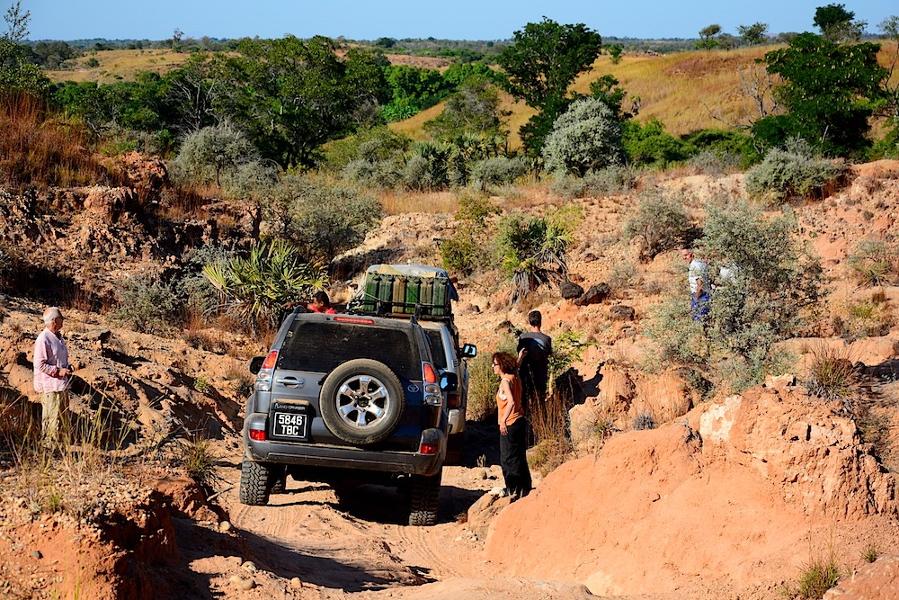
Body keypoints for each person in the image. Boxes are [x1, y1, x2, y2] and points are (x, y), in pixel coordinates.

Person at [493, 352, 532, 501]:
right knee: (519, 455)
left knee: (507, 458)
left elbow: (511, 402)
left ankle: (512, 488)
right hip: (520, 421)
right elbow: (515, 367)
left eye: (495, 364)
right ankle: (525, 487)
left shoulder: (505, 382)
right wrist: (520, 358)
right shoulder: (514, 377)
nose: (493, 367)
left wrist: (502, 420)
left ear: (501, 366)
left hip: (509, 423)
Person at [33, 307, 72, 446]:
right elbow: (39, 364)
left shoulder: (58, 337)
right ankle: (49, 447)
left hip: (61, 385)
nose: (63, 321)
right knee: (52, 418)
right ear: (55, 320)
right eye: (61, 318)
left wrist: (67, 367)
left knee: (62, 417)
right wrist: (58, 371)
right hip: (50, 386)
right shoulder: (43, 338)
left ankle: (60, 447)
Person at [517, 310, 552, 413]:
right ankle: (539, 420)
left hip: (525, 374)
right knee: (540, 400)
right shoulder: (547, 339)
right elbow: (549, 354)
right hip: (541, 375)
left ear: (529, 322)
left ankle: (524, 421)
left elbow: (519, 353)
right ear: (541, 321)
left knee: (523, 400)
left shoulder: (523, 338)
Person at [682, 249, 710, 321]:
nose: (684, 258)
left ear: (691, 254)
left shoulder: (695, 266)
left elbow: (700, 285)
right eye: (683, 256)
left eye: (686, 255)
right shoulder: (700, 263)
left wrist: (696, 298)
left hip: (701, 296)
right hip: (705, 295)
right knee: (704, 322)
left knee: (698, 322)